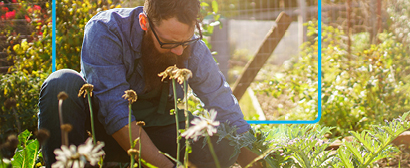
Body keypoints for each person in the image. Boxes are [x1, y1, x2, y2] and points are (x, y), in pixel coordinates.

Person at [38, 0, 251, 167]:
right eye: (169, 43)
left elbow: (224, 105)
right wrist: (167, 167)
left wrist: (258, 160)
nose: (179, 51)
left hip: (155, 131)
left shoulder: (191, 46)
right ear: (144, 22)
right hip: (99, 135)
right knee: (61, 83)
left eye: (185, 42)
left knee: (225, 143)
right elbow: (115, 113)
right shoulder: (106, 30)